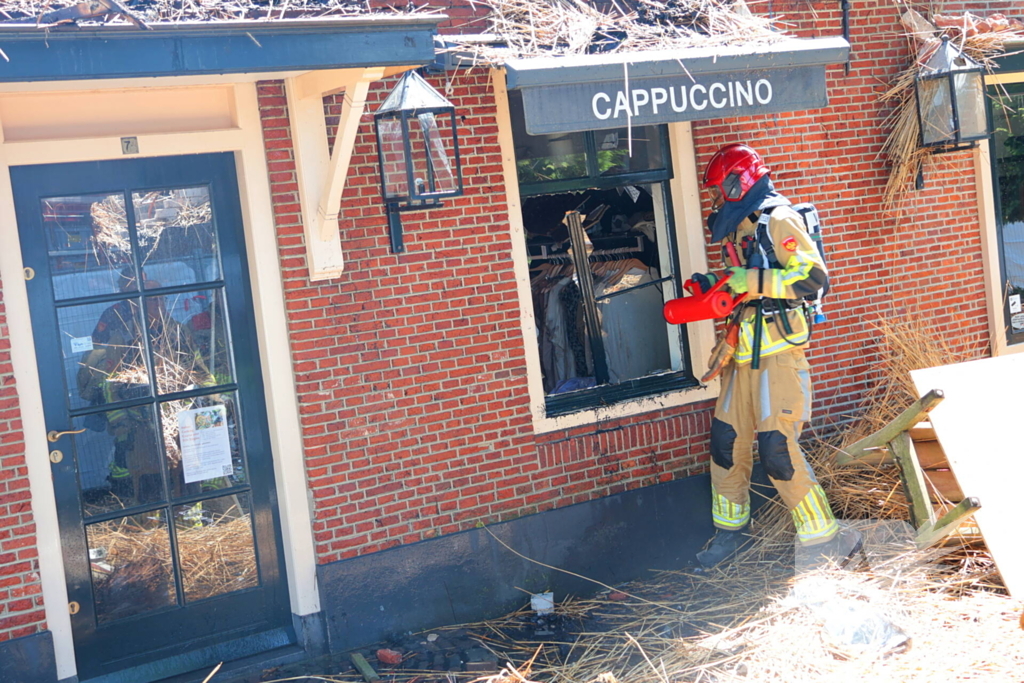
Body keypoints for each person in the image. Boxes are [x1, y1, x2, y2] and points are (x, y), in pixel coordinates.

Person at [693, 143, 862, 569]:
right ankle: (730, 537)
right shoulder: (740, 225)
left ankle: (826, 539)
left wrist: (750, 278)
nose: (715, 200)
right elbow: (746, 280)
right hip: (740, 355)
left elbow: (813, 277)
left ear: (738, 182)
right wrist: (714, 282)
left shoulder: (779, 218)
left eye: (718, 190)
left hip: (779, 357)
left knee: (776, 449)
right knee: (726, 444)